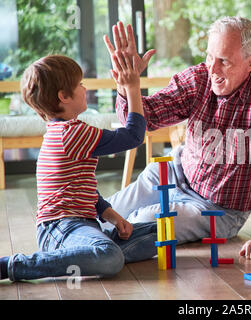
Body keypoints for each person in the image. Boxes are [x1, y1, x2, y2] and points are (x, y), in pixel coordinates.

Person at [103, 17, 251, 259]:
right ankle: (67, 237)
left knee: (136, 226)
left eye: (224, 61)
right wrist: (129, 87)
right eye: (210, 57)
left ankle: (89, 255)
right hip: (175, 175)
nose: (213, 69)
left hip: (217, 209)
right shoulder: (199, 78)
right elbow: (143, 120)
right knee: (105, 213)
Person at [0, 53, 158, 281]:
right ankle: (12, 266)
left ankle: (86, 254)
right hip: (60, 228)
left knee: (157, 235)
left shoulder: (64, 131)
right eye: (80, 85)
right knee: (109, 257)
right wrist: (133, 88)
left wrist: (113, 217)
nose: (85, 89)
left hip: (83, 225)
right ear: (63, 96)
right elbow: (133, 136)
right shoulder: (73, 133)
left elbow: (83, 189)